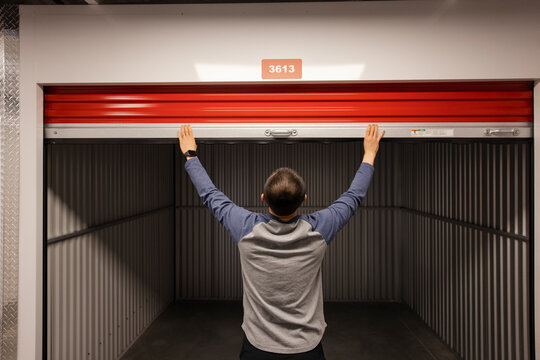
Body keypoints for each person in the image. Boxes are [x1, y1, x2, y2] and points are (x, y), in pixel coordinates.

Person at [178, 124, 385, 360]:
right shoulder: (318, 230)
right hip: (306, 349)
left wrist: (190, 155)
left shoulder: (246, 229)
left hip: (257, 348)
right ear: (304, 199)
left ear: (263, 198)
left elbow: (211, 195)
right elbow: (353, 196)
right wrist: (369, 153)